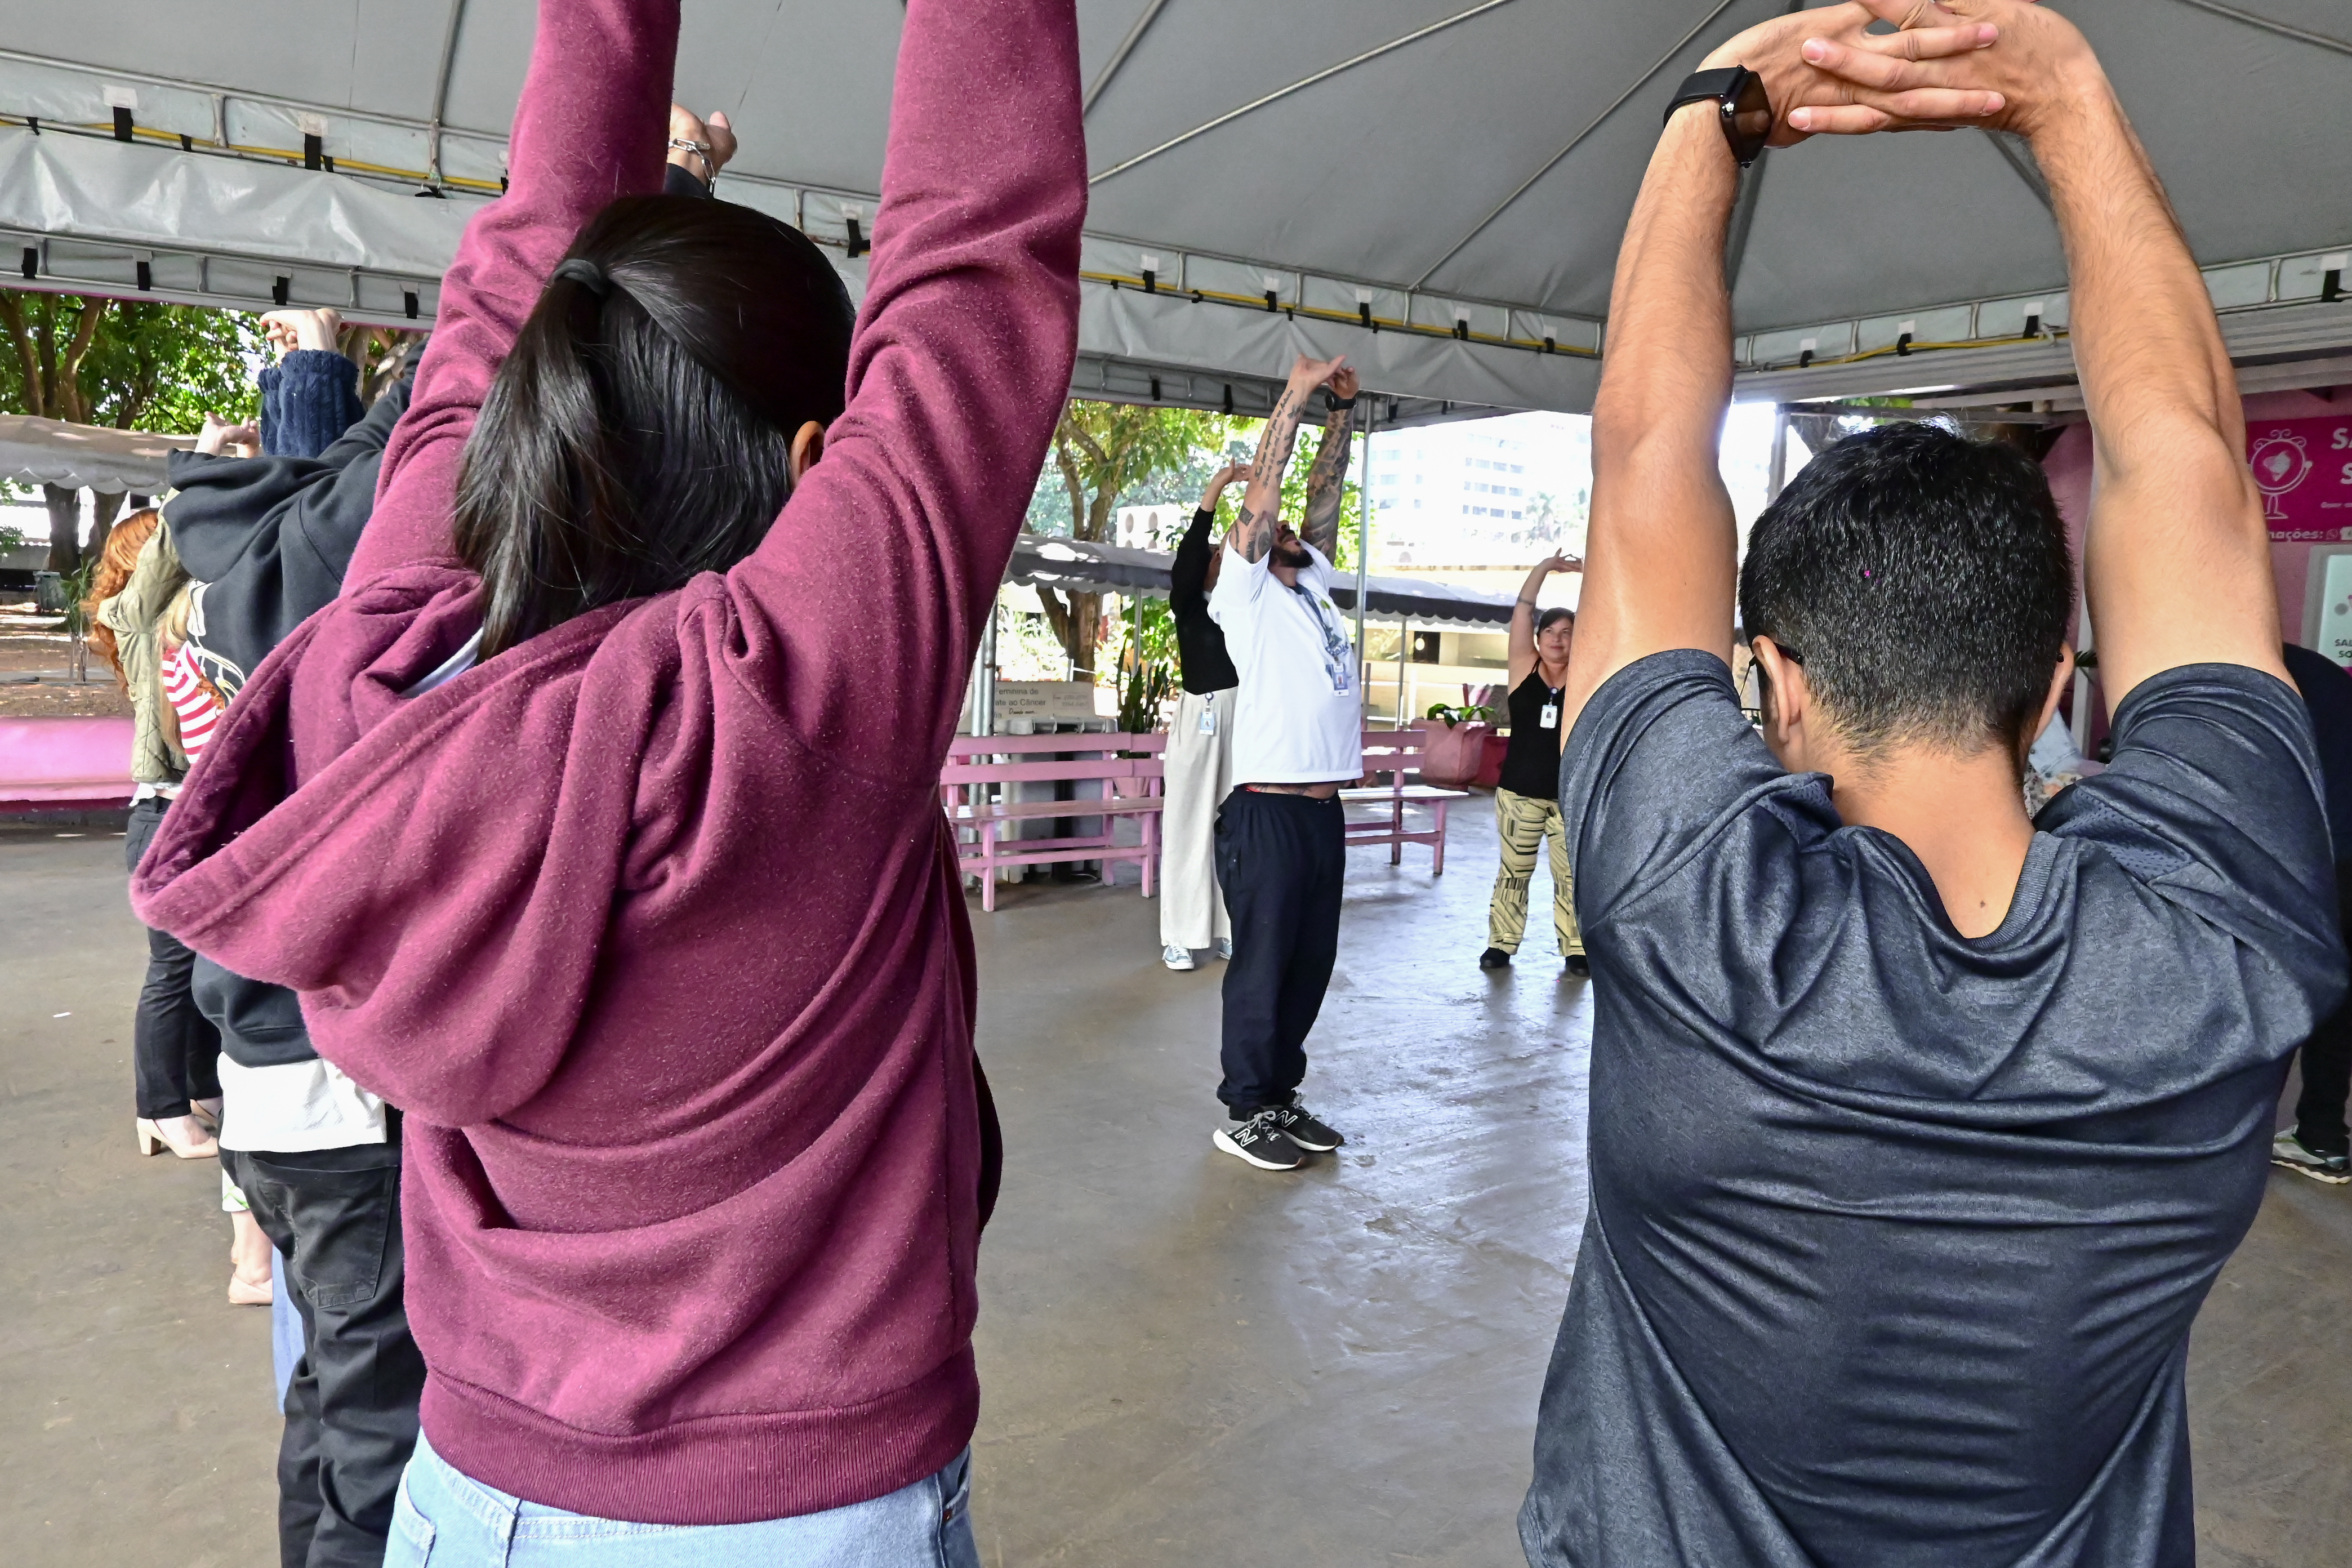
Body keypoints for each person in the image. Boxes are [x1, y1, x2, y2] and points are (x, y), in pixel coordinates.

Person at [133, 1, 1081, 1562]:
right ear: (805, 458)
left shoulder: (389, 666)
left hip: (467, 1496)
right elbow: (971, 266)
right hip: (796, 1518)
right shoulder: (791, 711)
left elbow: (967, 270)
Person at [1519, 3, 2346, 1565]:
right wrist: (2070, 99)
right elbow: (2185, 466)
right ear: (2057, 684)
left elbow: (1642, 460)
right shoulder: (2220, 951)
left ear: (1780, 681)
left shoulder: (1688, 909)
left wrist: (1714, 112)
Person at [1207, 355, 1362, 1171]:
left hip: (1322, 811)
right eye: (1271, 532)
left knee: (1308, 966)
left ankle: (1277, 1097)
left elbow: (1322, 498)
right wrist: (1297, 398)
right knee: (1264, 966)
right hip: (1267, 809)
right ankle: (1242, 1110)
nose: (1289, 531)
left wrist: (1343, 416)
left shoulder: (1313, 585)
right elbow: (1264, 496)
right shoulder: (1248, 593)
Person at [88, 509, 221, 1161]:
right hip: (166, 818)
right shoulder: (140, 618)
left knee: (197, 964)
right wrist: (203, 460)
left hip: (184, 817)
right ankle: (160, 1109)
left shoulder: (176, 623)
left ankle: (197, 1088)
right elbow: (166, 548)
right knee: (172, 971)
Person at [1480, 554, 1586, 977]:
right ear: (1538, 638)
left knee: (1572, 878)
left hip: (1570, 795)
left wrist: (1592, 576)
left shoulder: (1587, 674)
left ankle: (1576, 950)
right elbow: (1522, 611)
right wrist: (1545, 568)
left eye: (1568, 633)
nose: (1559, 640)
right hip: (1519, 793)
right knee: (1513, 874)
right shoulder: (1524, 668)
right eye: (1551, 632)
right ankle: (1500, 945)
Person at [1160, 460, 1247, 971]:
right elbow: (1190, 558)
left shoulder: (1247, 608)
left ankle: (1230, 930)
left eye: (1225, 554)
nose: (1217, 558)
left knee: (1239, 827)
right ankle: (1181, 935)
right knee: (1188, 823)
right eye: (1215, 554)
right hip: (1199, 716)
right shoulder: (1189, 606)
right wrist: (1215, 492)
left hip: (1243, 719)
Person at [2274, 640, 2352, 1183]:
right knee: (2339, 1000)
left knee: (2275, 991)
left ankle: (2233, 1141)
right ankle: (2322, 1137)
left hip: (2320, 858)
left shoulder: (2258, 678)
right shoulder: (2318, 673)